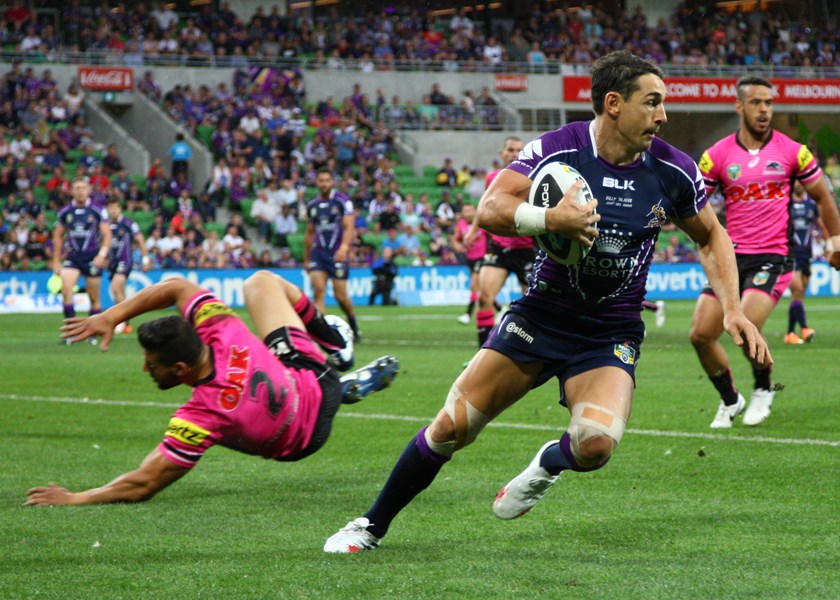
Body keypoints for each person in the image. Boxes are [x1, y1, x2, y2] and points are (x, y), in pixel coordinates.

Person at [323, 51, 771, 554]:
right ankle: (370, 525)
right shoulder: (559, 149)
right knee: (451, 427)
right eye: (652, 102)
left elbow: (711, 236)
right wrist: (550, 219)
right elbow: (491, 207)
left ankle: (548, 463)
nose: (662, 116)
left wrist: (732, 307)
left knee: (595, 445)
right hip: (540, 317)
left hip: (609, 331)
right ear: (614, 103)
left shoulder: (673, 169)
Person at [25, 272, 400, 507]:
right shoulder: (220, 326)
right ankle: (334, 345)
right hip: (314, 377)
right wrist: (111, 316)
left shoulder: (201, 415)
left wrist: (75, 498)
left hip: (305, 438)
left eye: (151, 364)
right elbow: (177, 287)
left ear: (180, 369)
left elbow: (144, 483)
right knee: (260, 282)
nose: (145, 369)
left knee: (230, 422)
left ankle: (336, 358)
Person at [691, 75, 840, 429]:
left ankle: (762, 388)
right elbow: (694, 204)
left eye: (769, 103)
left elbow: (823, 197)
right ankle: (731, 398)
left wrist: (836, 242)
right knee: (700, 334)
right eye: (756, 102)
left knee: (745, 327)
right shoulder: (716, 156)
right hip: (730, 258)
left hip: (774, 257)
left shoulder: (793, 151)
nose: (764, 110)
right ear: (739, 106)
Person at [468, 135, 533, 347]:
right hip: (499, 247)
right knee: (484, 298)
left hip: (527, 249)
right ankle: (482, 354)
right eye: (510, 150)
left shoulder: (534, 177)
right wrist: (473, 231)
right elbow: (484, 207)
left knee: (533, 305)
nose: (514, 153)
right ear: (502, 153)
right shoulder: (492, 178)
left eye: (518, 150)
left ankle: (528, 353)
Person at [51, 178, 112, 344]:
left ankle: (92, 334)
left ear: (89, 190)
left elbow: (107, 234)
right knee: (66, 291)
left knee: (93, 297)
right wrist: (56, 260)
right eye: (77, 188)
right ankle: (71, 333)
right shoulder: (65, 212)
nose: (80, 191)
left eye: (83, 188)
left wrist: (102, 255)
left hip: (92, 257)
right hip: (72, 257)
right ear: (71, 191)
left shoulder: (97, 210)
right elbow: (58, 235)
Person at [304, 168, 361, 341]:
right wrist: (306, 258)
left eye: (327, 180)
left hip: (337, 254)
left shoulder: (342, 201)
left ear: (332, 182)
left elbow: (349, 227)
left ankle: (353, 323)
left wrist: (344, 247)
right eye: (321, 180)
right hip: (318, 254)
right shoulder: (312, 205)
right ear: (317, 182)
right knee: (318, 291)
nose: (324, 184)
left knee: (340, 296)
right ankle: (322, 334)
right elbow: (309, 233)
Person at [785, 183, 826, 345]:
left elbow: (821, 225)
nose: (799, 185)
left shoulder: (811, 205)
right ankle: (804, 328)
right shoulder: (786, 205)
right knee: (797, 290)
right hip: (791, 254)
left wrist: (827, 243)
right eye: (796, 182)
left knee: (799, 295)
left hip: (806, 255)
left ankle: (790, 333)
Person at [105, 197, 151, 335]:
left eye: (116, 207)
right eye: (111, 208)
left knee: (115, 287)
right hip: (112, 263)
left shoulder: (129, 224)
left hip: (124, 261)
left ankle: (120, 321)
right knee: (119, 293)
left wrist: (145, 259)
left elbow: (140, 240)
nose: (113, 210)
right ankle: (126, 323)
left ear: (120, 209)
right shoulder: (105, 225)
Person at [451, 203, 488, 325]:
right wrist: (457, 246)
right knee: (481, 288)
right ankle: (499, 309)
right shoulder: (460, 225)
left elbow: (492, 237)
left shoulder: (481, 222)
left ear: (475, 211)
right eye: (465, 211)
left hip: (482, 257)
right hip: (470, 259)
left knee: (474, 285)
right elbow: (455, 239)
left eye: (470, 210)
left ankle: (468, 314)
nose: (468, 213)